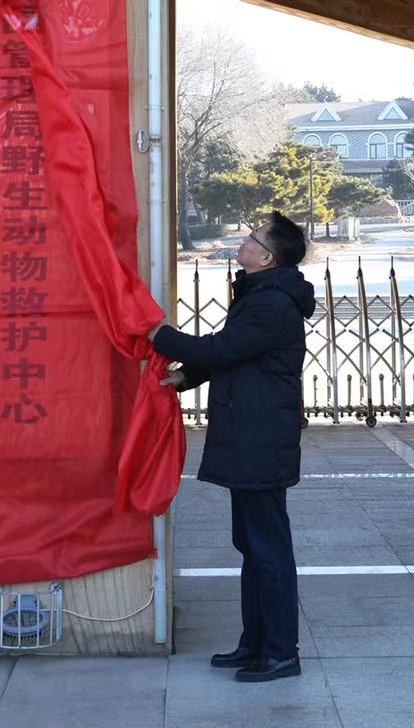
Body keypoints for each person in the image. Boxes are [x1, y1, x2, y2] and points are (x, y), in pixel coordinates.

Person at [148, 211, 316, 683]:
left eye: (253, 238)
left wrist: (158, 334)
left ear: (267, 256)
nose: (244, 241)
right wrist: (184, 376)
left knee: (267, 549)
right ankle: (255, 643)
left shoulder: (272, 303)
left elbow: (223, 350)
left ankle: (280, 652)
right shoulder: (263, 294)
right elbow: (236, 353)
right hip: (253, 437)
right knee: (253, 545)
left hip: (261, 440)